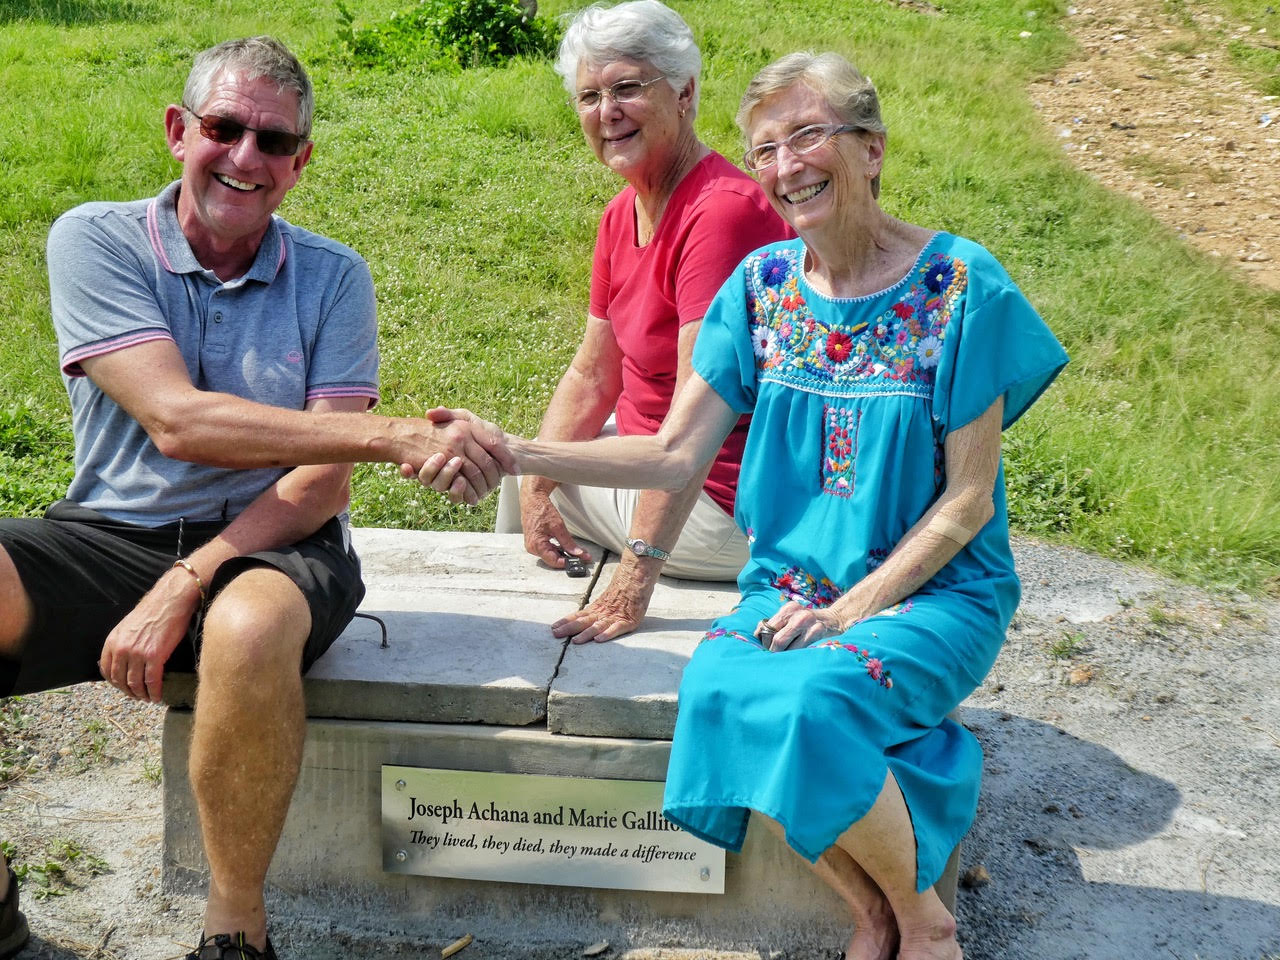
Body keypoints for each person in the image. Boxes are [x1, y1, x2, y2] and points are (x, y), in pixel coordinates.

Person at [447, 50, 1069, 960]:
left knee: (811, 702)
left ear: (873, 150)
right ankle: (874, 912)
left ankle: (926, 921)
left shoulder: (960, 286)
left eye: (808, 137)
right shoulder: (764, 288)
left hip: (936, 596)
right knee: (721, 690)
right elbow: (672, 454)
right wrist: (517, 451)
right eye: (764, 148)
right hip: (787, 589)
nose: (785, 167)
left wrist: (852, 609)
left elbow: (969, 499)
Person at [0, 37, 508, 960]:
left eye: (273, 142)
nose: (245, 158)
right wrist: (398, 434)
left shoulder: (332, 275)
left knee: (246, 628)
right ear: (176, 130)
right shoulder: (95, 238)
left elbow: (318, 481)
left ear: (300, 162)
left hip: (282, 543)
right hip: (112, 529)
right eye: (224, 128)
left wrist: (191, 577)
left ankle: (236, 932)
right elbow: (178, 422)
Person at [494, 0, 791, 644]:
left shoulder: (721, 214)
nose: (608, 111)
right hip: (669, 469)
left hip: (726, 504)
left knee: (521, 479)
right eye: (590, 96)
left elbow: (692, 423)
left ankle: (524, 656)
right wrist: (541, 485)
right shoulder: (621, 213)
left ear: (685, 94)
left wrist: (634, 581)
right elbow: (591, 372)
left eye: (628, 88)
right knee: (531, 480)